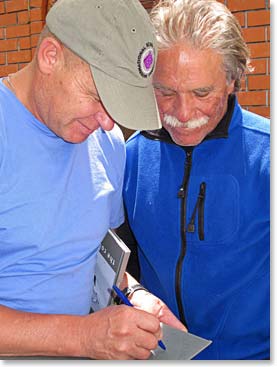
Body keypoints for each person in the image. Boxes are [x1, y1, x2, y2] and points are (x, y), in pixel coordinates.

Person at [0, 0, 186, 360]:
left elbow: (92, 256)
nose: (106, 122)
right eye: (99, 97)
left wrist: (133, 294)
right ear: (50, 56)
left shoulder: (108, 141)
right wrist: (83, 337)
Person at [120, 0, 270, 360]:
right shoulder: (131, 156)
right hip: (157, 355)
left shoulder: (268, 158)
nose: (182, 114)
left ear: (234, 80)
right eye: (165, 92)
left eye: (202, 93)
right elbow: (115, 261)